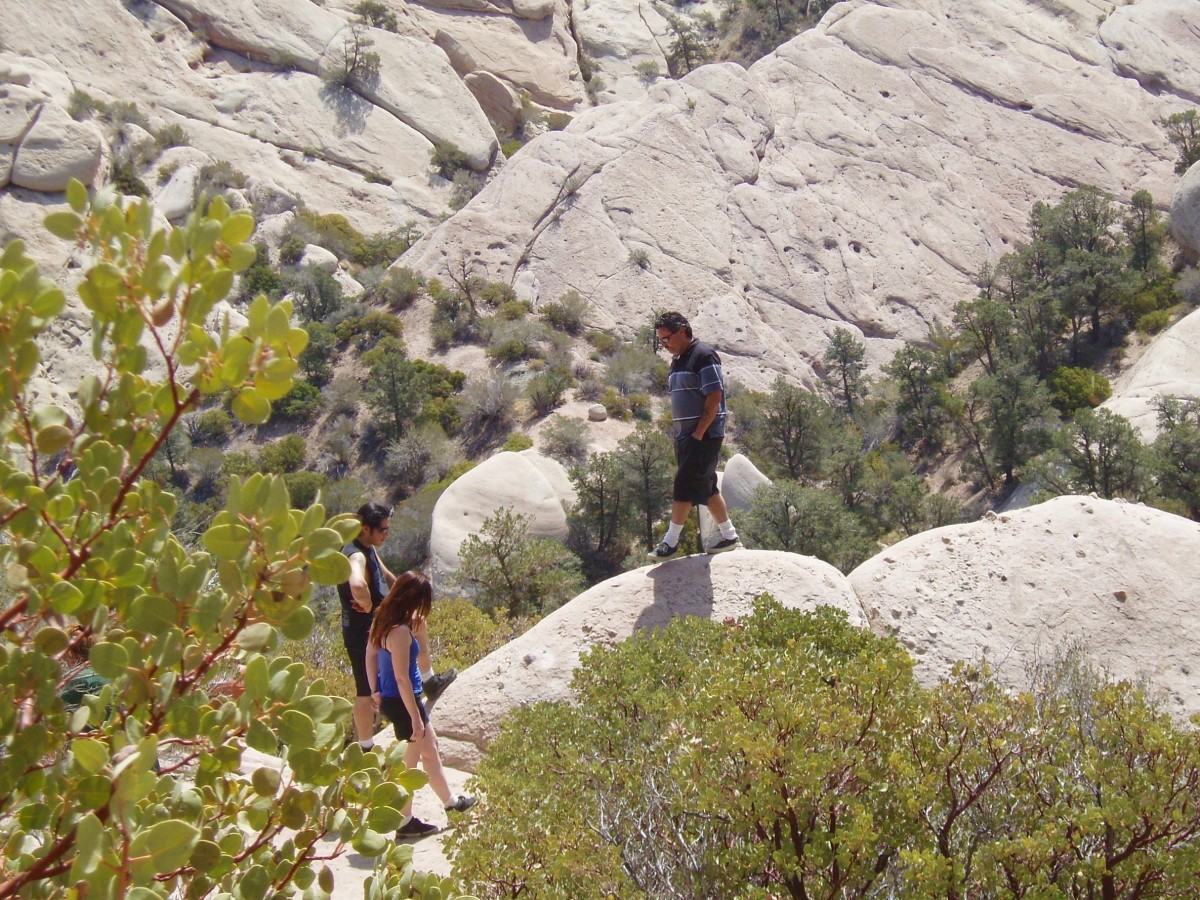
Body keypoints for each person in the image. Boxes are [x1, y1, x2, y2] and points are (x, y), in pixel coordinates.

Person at [366, 570, 477, 839]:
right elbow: (403, 678)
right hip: (405, 702)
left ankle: (451, 803)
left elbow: (369, 655)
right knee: (409, 765)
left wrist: (374, 691)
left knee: (431, 749)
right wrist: (415, 717)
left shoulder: (382, 619)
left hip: (393, 699)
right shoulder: (401, 631)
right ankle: (404, 824)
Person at [338, 503, 456, 751]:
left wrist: (399, 592)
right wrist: (368, 602)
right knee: (365, 691)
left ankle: (429, 680)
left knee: (418, 622)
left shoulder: (368, 547)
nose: (386, 535)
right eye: (382, 530)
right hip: (363, 632)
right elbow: (357, 584)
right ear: (366, 528)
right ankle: (365, 748)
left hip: (381, 622)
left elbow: (385, 575)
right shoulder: (355, 554)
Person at [648, 311, 741, 559]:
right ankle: (730, 535)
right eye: (661, 341)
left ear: (682, 331)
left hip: (704, 436)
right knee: (707, 486)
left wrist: (699, 433)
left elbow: (714, 396)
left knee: (684, 485)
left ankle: (670, 543)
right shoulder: (679, 360)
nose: (664, 345)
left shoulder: (704, 355)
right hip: (686, 436)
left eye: (666, 338)